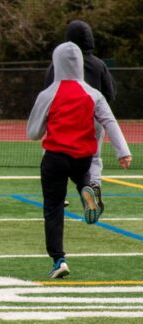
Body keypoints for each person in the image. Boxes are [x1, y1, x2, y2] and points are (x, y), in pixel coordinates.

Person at [27, 42, 132, 279]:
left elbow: (33, 132)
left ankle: (59, 259)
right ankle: (89, 194)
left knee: (53, 208)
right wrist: (123, 151)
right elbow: (109, 121)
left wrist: (44, 124)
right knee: (84, 179)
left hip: (54, 158)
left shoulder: (48, 94)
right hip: (82, 157)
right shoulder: (93, 94)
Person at [43, 20, 117, 214]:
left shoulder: (56, 65)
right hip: (93, 117)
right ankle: (93, 189)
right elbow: (110, 92)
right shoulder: (99, 64)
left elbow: (48, 91)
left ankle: (61, 195)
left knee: (54, 153)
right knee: (94, 158)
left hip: (64, 118)